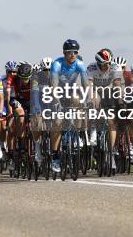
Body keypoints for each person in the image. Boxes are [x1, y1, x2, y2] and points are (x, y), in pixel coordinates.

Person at [49, 39, 89, 173]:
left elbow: (85, 85)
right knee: (58, 123)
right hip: (57, 93)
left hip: (70, 92)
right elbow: (53, 86)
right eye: (69, 52)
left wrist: (87, 99)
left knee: (77, 100)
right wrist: (56, 102)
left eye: (75, 52)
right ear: (64, 53)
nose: (73, 54)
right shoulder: (57, 64)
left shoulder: (80, 64)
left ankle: (76, 133)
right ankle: (55, 157)